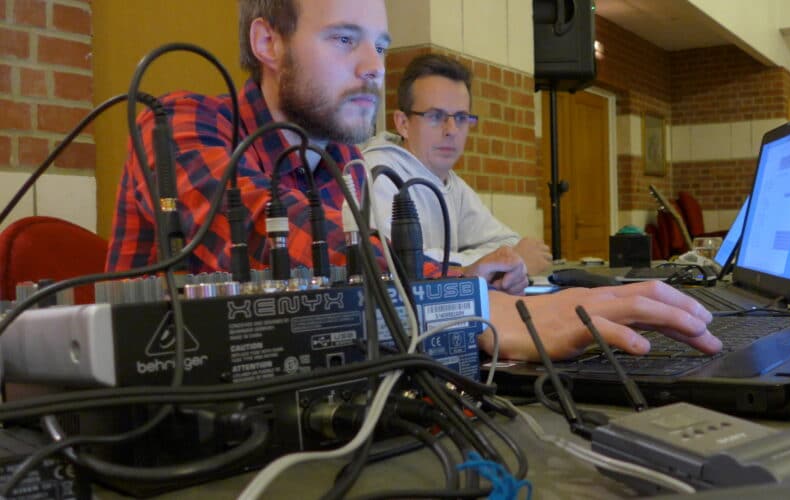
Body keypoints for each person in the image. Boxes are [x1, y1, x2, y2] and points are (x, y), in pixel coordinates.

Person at [106, 0, 720, 362]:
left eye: (379, 45)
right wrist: (479, 307)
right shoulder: (178, 124)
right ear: (268, 40)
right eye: (344, 39)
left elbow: (357, 284)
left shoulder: (341, 162)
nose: (373, 67)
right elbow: (285, 248)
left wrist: (461, 284)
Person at [363, 54, 553, 276]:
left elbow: (508, 241)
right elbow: (395, 262)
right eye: (436, 116)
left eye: (462, 118)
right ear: (403, 124)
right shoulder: (375, 174)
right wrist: (499, 261)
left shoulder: (451, 183)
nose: (452, 130)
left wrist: (501, 260)